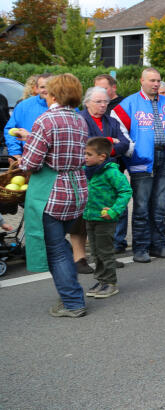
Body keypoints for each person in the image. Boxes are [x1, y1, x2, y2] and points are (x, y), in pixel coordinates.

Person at [17, 73, 91, 317]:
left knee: (56, 250)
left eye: (47, 92)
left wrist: (25, 152)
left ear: (55, 94)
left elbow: (31, 163)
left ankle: (72, 302)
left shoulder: (45, 120)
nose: (44, 95)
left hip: (52, 192)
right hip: (76, 190)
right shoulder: (80, 119)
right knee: (62, 245)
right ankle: (70, 294)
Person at [113, 67, 165, 263]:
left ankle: (159, 245)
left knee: (161, 206)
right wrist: (132, 150)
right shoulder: (129, 104)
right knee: (142, 207)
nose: (156, 84)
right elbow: (118, 129)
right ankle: (140, 247)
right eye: (152, 80)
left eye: (158, 80)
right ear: (141, 81)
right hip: (142, 161)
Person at [80, 86, 134, 256]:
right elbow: (83, 144)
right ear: (87, 102)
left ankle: (117, 242)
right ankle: (97, 248)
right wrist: (110, 141)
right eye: (98, 102)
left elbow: (125, 144)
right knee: (94, 209)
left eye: (105, 102)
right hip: (90, 173)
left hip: (110, 170)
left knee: (118, 206)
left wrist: (103, 151)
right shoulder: (80, 120)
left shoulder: (112, 121)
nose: (103, 105)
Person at [82, 137, 131, 299]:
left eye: (89, 154)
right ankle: (101, 280)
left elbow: (125, 191)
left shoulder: (111, 172)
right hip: (90, 217)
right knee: (95, 252)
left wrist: (114, 210)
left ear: (102, 157)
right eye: (84, 153)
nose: (85, 157)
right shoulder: (86, 170)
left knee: (105, 251)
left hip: (106, 219)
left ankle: (110, 283)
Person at [4, 73, 50, 166]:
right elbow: (11, 130)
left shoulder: (67, 107)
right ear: (36, 88)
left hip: (56, 162)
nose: (46, 90)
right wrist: (15, 154)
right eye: (42, 87)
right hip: (28, 161)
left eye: (50, 86)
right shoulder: (24, 106)